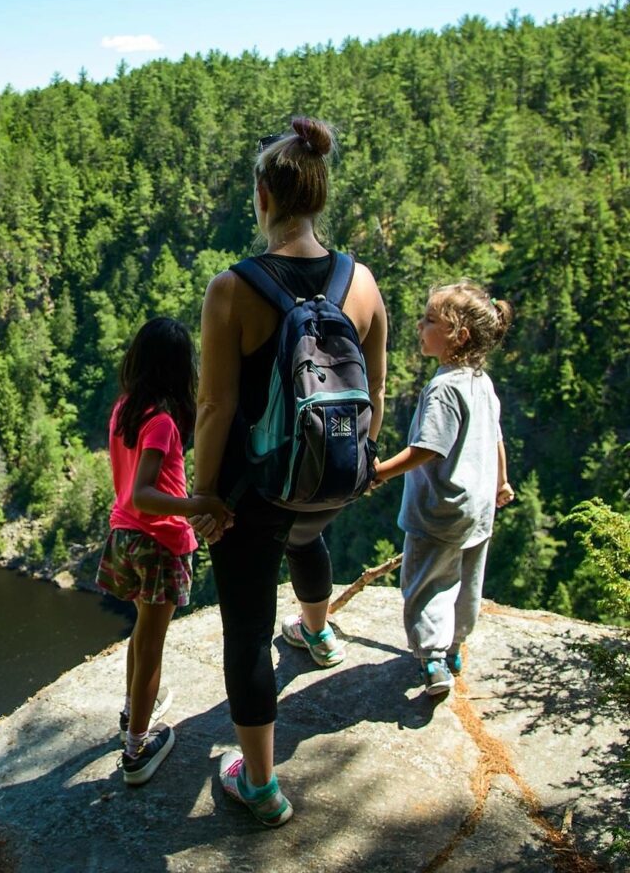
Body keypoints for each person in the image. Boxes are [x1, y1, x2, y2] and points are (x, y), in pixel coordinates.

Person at [191, 118, 387, 826]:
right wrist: (352, 466)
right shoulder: (360, 283)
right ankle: (320, 633)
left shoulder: (232, 288)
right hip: (334, 477)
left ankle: (263, 787)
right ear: (318, 196)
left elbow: (214, 406)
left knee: (246, 628)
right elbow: (378, 390)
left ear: (264, 199)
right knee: (308, 538)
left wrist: (205, 494)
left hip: (255, 491)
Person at [96, 317, 231, 786]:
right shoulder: (162, 422)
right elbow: (144, 494)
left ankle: (134, 711)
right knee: (152, 643)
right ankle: (137, 747)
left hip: (125, 539)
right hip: (158, 542)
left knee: (142, 631)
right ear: (179, 369)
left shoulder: (124, 409)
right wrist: (199, 504)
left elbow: (130, 497)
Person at [372, 283, 515, 695]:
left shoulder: (444, 388)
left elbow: (427, 449)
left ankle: (432, 659)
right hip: (479, 506)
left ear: (459, 336)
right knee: (468, 581)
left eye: (431, 320)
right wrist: (502, 480)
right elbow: (496, 438)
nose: (420, 325)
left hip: (439, 510)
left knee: (427, 582)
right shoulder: (480, 381)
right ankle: (455, 645)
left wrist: (378, 472)